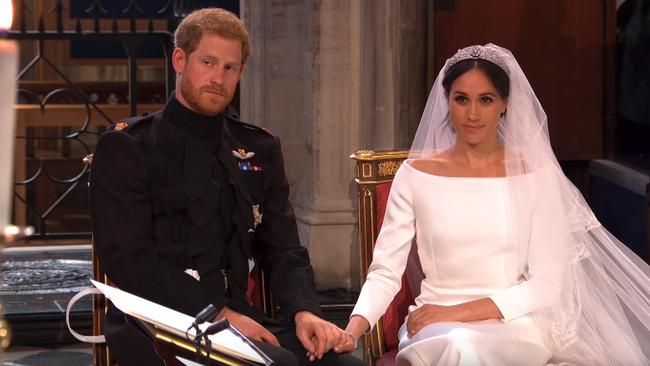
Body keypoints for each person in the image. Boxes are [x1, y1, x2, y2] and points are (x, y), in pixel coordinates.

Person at [334, 44, 650, 365]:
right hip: (434, 327)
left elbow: (548, 285)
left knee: (465, 346)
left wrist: (457, 312)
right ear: (447, 101)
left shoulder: (536, 175)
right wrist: (352, 332)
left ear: (504, 103)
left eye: (485, 99)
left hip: (514, 324)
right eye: (462, 99)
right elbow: (385, 273)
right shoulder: (414, 176)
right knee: (458, 346)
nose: (473, 114)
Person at [90, 8, 364, 366]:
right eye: (207, 62)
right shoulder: (129, 147)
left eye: (229, 68)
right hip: (159, 324)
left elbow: (284, 248)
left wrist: (305, 312)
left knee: (345, 364)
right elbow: (129, 260)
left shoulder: (258, 148)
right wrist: (217, 313)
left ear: (241, 73)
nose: (218, 78)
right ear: (179, 60)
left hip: (242, 321)